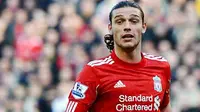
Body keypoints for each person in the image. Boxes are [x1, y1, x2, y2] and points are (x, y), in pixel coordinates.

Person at [65, 1, 171, 112]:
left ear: (144, 27)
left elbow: (165, 107)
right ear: (110, 28)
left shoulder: (161, 67)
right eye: (120, 22)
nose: (127, 27)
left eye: (134, 21)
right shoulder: (93, 71)